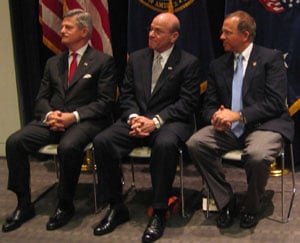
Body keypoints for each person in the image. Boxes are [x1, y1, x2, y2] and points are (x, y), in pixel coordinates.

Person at [2, 9, 116, 233]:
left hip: (85, 121)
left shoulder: (103, 62)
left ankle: (65, 205)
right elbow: (41, 98)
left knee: (68, 146)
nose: (62, 31)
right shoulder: (53, 62)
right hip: (53, 120)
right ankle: (23, 204)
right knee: (15, 142)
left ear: (84, 32)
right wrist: (50, 115)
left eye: (68, 27)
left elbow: (104, 103)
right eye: (62, 26)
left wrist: (72, 117)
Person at [92, 12, 201, 242]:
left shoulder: (188, 63)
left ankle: (159, 210)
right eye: (151, 29)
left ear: (174, 36)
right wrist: (133, 118)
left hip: (170, 122)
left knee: (165, 144)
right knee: (103, 141)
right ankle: (116, 205)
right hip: (136, 119)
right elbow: (127, 94)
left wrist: (155, 122)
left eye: (158, 31)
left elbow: (187, 103)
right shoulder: (137, 59)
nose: (151, 34)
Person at [187, 10, 294, 229]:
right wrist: (215, 118)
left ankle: (252, 206)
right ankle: (225, 201)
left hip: (264, 126)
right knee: (195, 143)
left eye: (227, 33)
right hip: (227, 130)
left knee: (256, 155)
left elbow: (274, 103)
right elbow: (208, 106)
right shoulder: (218, 65)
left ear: (245, 35)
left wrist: (239, 115)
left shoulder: (270, 59)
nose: (221, 37)